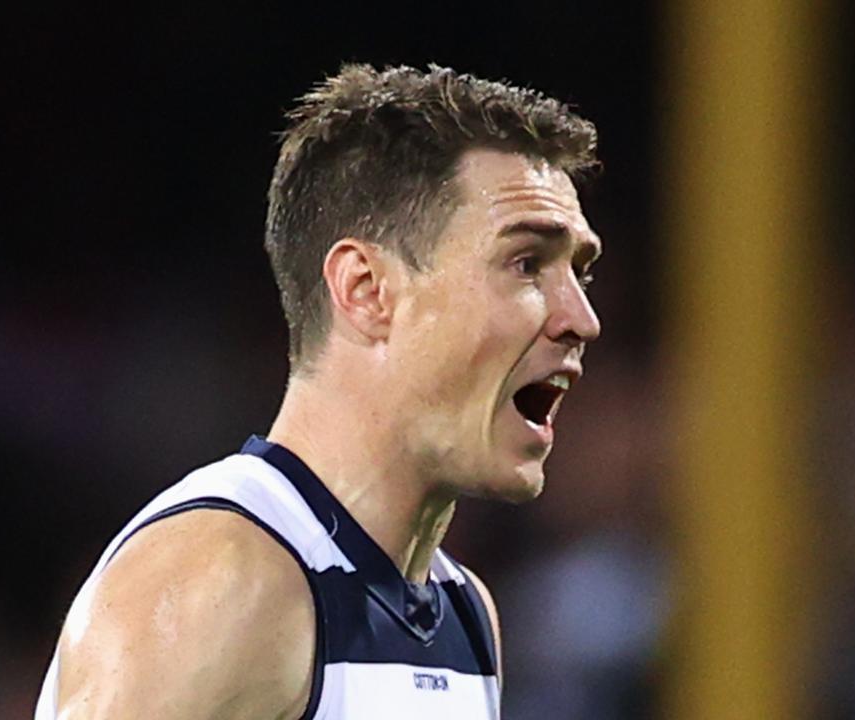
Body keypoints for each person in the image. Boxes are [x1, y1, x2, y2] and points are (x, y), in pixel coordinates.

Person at [35, 63, 603, 720]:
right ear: (366, 290)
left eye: (580, 272)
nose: (580, 318)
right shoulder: (219, 580)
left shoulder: (463, 615)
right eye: (527, 263)